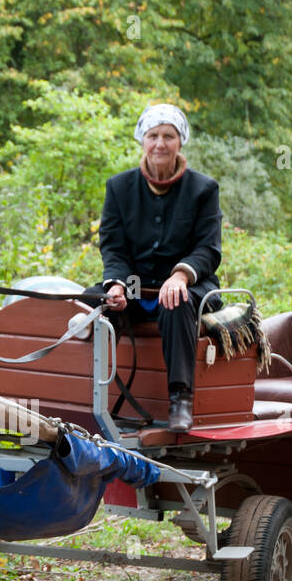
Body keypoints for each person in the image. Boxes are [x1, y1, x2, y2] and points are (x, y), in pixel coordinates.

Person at [86, 104, 223, 432]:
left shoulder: (203, 189)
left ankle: (180, 399)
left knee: (174, 301)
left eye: (168, 136)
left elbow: (208, 248)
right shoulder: (119, 187)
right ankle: (97, 395)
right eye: (153, 136)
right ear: (142, 140)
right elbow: (114, 247)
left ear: (180, 141)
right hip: (137, 283)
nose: (160, 143)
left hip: (189, 284)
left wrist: (180, 274)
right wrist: (116, 285)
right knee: (95, 300)